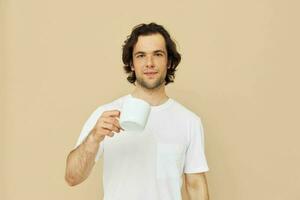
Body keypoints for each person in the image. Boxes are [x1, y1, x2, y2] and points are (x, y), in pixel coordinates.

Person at [65, 22, 210, 200]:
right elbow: (72, 177)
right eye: (141, 55)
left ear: (169, 61)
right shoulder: (106, 115)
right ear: (132, 64)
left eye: (158, 54)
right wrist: (94, 137)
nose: (149, 63)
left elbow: (195, 185)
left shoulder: (189, 121)